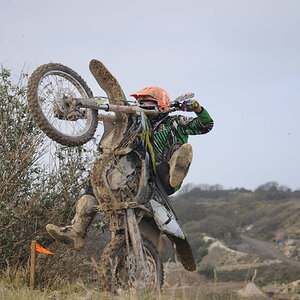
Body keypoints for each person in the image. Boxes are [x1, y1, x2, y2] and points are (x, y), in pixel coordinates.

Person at [46, 86, 214, 250]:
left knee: (179, 150)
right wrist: (71, 111)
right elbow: (103, 116)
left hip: (163, 175)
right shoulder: (134, 123)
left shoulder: (175, 121)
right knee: (95, 181)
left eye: (147, 102)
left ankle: (177, 168)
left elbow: (206, 125)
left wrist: (198, 109)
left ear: (161, 104)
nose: (141, 105)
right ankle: (76, 232)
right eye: (139, 102)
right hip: (138, 176)